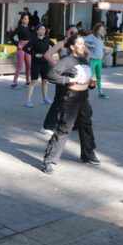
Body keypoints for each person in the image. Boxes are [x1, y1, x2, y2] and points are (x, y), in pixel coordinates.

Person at [41, 34, 100, 174]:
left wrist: (91, 84)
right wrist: (68, 81)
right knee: (64, 129)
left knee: (86, 125)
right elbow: (52, 75)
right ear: (73, 47)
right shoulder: (67, 60)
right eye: (80, 44)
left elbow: (83, 79)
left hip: (84, 98)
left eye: (83, 43)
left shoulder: (84, 61)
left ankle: (88, 153)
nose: (83, 46)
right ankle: (49, 161)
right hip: (71, 98)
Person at [40, 25, 88, 135]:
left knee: (76, 99)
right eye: (71, 32)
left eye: (76, 32)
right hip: (62, 76)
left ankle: (74, 124)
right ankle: (47, 126)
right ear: (67, 32)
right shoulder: (61, 44)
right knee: (58, 100)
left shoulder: (78, 44)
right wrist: (56, 64)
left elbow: (88, 53)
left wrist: (84, 66)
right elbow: (47, 55)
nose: (73, 34)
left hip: (75, 76)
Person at [22, 24, 54, 108]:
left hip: (45, 63)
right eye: (41, 29)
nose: (43, 31)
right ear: (37, 31)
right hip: (36, 63)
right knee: (33, 82)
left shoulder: (47, 39)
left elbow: (55, 46)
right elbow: (24, 48)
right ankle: (27, 101)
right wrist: (34, 54)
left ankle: (45, 98)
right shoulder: (33, 40)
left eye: (44, 29)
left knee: (45, 81)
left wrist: (50, 54)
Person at [84, 22, 109, 99]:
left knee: (99, 77)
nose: (101, 31)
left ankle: (100, 92)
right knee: (89, 76)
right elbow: (82, 42)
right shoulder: (91, 37)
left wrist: (106, 48)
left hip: (99, 60)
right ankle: (84, 92)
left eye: (102, 29)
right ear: (96, 29)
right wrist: (90, 45)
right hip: (93, 59)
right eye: (100, 29)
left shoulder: (101, 38)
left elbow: (102, 46)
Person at [10, 14, 32, 90]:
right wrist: (17, 44)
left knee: (29, 65)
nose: (26, 20)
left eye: (27, 18)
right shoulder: (19, 27)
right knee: (20, 65)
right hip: (21, 47)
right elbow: (11, 36)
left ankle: (27, 82)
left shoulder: (29, 28)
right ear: (21, 20)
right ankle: (14, 83)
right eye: (25, 19)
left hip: (28, 48)